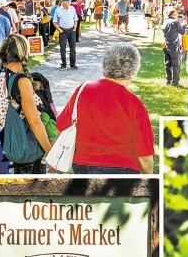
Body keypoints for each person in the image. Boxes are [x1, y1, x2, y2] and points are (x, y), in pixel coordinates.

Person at [56, 43, 154, 174]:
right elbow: (144, 155)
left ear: (105, 64)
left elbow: (61, 128)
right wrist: (149, 178)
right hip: (123, 170)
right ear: (134, 71)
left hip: (84, 167)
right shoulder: (135, 104)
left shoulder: (83, 90)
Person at [0, 34, 53, 174]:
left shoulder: (0, 76)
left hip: (13, 142)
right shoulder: (22, 82)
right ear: (23, 53)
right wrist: (50, 153)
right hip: (29, 144)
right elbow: (34, 122)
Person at [162, 7, 188, 87]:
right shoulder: (175, 22)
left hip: (166, 45)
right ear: (173, 14)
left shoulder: (165, 22)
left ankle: (168, 80)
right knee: (175, 65)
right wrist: (184, 24)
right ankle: (175, 82)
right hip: (173, 46)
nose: (177, 15)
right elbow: (183, 32)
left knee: (167, 64)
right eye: (176, 14)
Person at [53, 0, 78, 70]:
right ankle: (63, 64)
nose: (66, 2)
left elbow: (75, 19)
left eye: (67, 1)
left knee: (73, 48)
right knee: (62, 49)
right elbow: (54, 21)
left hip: (71, 30)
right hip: (62, 31)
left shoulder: (72, 9)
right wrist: (59, 30)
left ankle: (73, 64)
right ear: (62, 1)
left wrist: (75, 28)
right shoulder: (58, 10)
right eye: (64, 1)